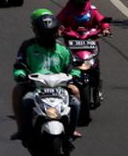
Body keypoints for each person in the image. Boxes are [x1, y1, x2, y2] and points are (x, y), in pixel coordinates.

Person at [12, 9, 82, 141]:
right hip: (34, 86)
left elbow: (73, 67)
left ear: (56, 32)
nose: (47, 37)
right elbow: (19, 65)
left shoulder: (64, 50)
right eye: (44, 33)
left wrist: (75, 75)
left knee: (76, 95)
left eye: (50, 33)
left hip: (60, 87)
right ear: (36, 32)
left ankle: (72, 129)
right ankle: (22, 129)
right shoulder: (28, 47)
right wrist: (21, 75)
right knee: (20, 95)